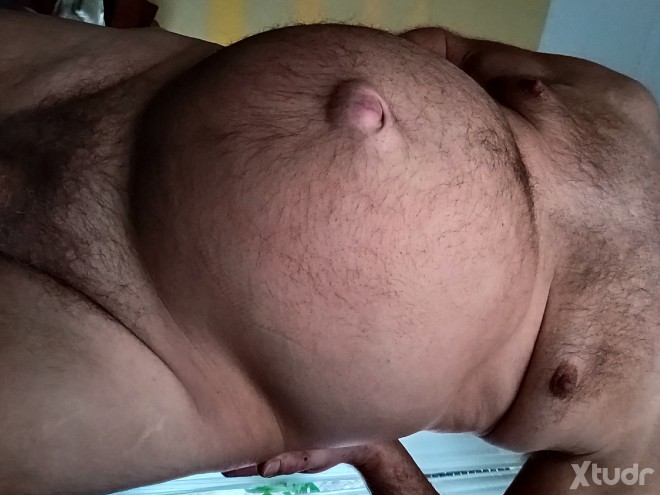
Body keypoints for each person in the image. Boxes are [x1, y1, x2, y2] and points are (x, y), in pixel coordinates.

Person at [0, 5, 658, 494]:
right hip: (142, 87)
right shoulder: (629, 109)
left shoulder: (646, 448)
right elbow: (446, 50)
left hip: (173, 357)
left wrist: (374, 450)